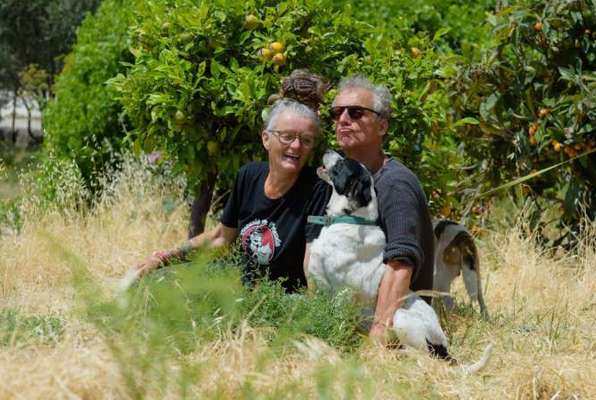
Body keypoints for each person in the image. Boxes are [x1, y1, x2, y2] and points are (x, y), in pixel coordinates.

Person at [132, 99, 326, 292]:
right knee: (152, 282)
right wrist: (163, 259)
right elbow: (221, 239)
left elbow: (313, 259)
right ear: (266, 139)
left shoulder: (317, 190)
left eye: (306, 140)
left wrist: (309, 315)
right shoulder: (249, 176)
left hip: (278, 299)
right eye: (287, 136)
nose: (296, 146)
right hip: (235, 285)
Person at [306, 75, 434, 342]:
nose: (343, 120)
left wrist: (378, 336)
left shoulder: (395, 183)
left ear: (382, 125)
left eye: (355, 113)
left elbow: (400, 265)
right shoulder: (337, 179)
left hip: (398, 322)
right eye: (336, 113)